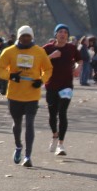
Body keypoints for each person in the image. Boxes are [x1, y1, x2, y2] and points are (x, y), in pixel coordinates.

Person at [0, 25, 52, 168]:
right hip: (15, 94)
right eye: (23, 36)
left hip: (32, 95)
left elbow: (48, 69)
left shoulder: (39, 51)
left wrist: (41, 80)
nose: (26, 39)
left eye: (28, 36)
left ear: (32, 37)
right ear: (19, 37)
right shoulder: (9, 51)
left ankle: (28, 156)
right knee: (17, 124)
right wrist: (11, 76)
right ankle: (18, 146)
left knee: (30, 124)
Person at [42, 24, 81, 157]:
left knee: (62, 112)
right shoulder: (47, 48)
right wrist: (51, 56)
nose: (63, 34)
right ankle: (55, 135)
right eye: (60, 32)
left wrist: (78, 68)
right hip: (51, 85)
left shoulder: (71, 48)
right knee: (52, 114)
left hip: (66, 85)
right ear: (56, 34)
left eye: (65, 32)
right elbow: (38, 62)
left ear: (67, 35)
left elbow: (80, 60)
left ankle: (61, 144)